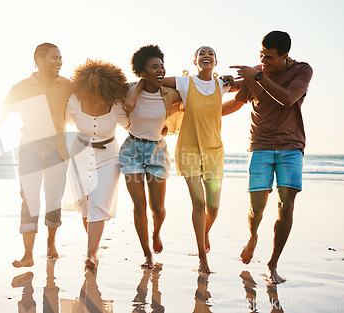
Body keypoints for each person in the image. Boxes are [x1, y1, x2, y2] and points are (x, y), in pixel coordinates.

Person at [127, 46, 237, 273]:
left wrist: (240, 78)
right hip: (188, 150)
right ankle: (202, 258)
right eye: (202, 53)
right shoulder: (184, 82)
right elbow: (152, 80)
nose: (206, 56)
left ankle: (203, 232)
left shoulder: (221, 85)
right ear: (195, 60)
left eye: (211, 54)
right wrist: (136, 91)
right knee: (199, 203)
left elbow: (246, 90)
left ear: (216, 62)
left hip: (214, 151)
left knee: (213, 208)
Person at [0, 43, 73, 267]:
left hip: (58, 150)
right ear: (39, 60)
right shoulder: (21, 88)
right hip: (30, 150)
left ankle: (51, 242)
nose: (60, 62)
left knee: (54, 200)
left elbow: (93, 98)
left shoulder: (68, 85)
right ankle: (28, 254)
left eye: (61, 58)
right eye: (54, 58)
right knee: (29, 199)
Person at [222, 31, 313, 284]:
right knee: (256, 207)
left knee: (286, 206)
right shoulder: (256, 72)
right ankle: (252, 237)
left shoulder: (302, 71)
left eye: (270, 57)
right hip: (260, 146)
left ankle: (272, 264)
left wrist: (258, 78)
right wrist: (203, 115)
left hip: (290, 147)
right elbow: (236, 103)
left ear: (285, 56)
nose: (264, 60)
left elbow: (288, 99)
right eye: (261, 54)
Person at [120, 45, 182, 269]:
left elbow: (193, 92)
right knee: (139, 206)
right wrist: (136, 90)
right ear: (143, 73)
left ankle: (156, 233)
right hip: (131, 150)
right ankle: (147, 254)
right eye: (154, 67)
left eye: (162, 66)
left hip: (157, 151)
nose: (161, 70)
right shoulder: (127, 90)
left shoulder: (170, 94)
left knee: (158, 208)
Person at [65, 59, 129, 268]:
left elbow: (131, 125)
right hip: (79, 157)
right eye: (95, 95)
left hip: (109, 158)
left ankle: (91, 254)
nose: (99, 101)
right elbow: (61, 120)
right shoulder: (76, 99)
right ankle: (94, 247)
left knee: (98, 204)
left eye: (104, 96)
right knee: (85, 207)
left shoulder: (116, 104)